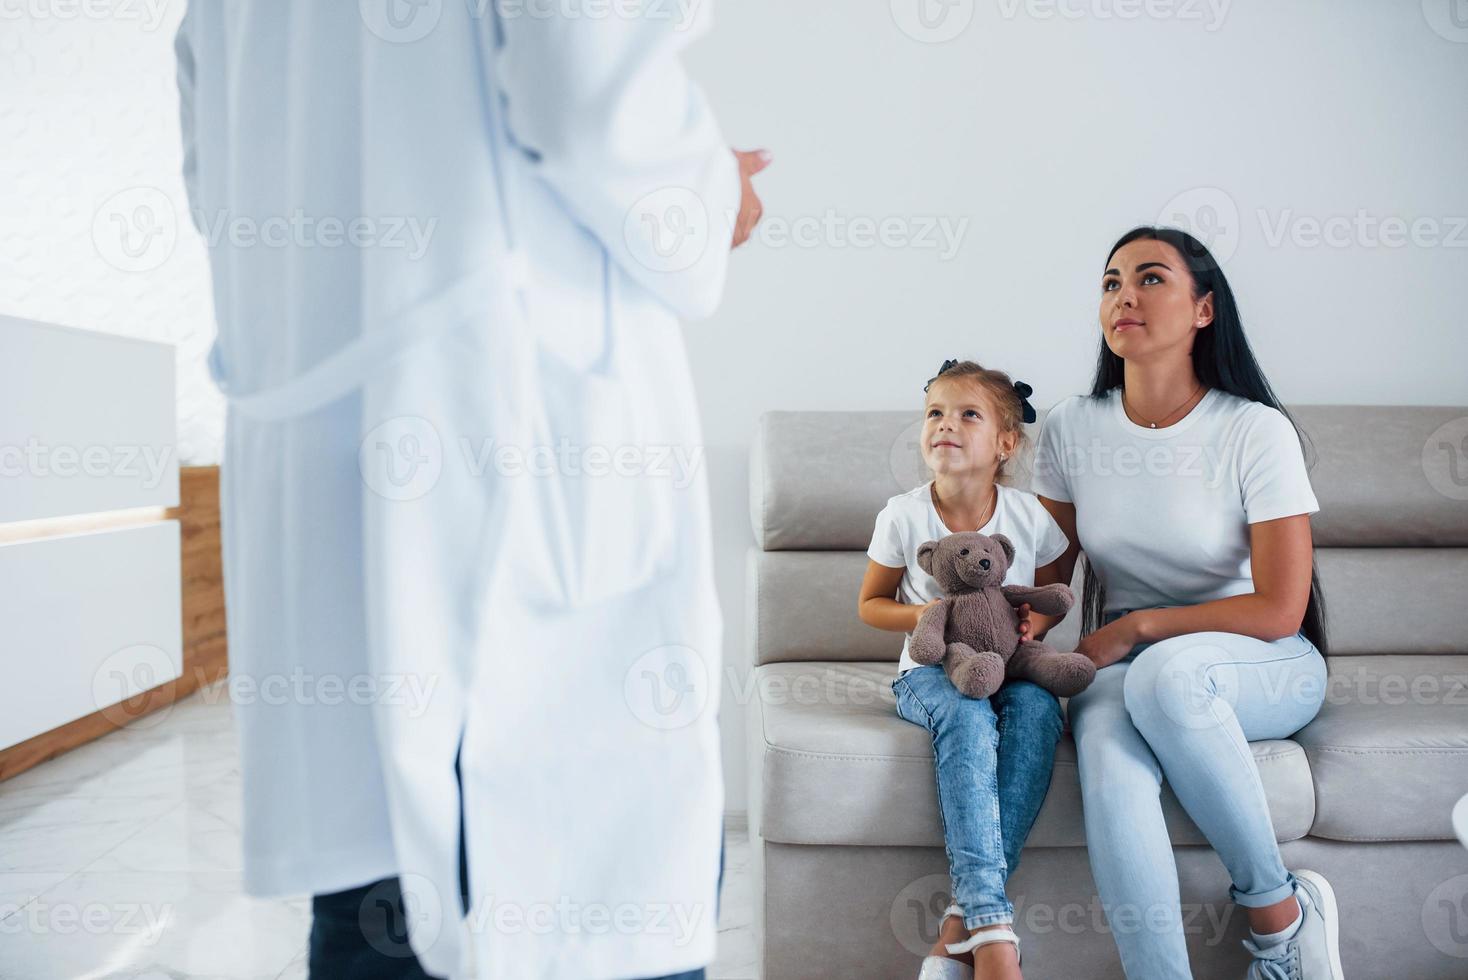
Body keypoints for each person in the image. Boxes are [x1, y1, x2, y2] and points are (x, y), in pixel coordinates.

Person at [174, 3, 768, 977]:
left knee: (378, 891)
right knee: (582, 894)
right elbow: (584, 93)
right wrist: (705, 195)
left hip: (331, 475)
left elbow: (218, 173)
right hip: (513, 457)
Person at [1026, 226, 1343, 979]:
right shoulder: (1073, 427)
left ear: (1204, 309)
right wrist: (993, 641)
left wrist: (1135, 628)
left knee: (1161, 675)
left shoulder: (1253, 431)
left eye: (1150, 278)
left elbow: (1277, 609)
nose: (1124, 296)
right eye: (1110, 283)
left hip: (1261, 663)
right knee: (1103, 742)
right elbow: (1049, 586)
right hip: (1129, 672)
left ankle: (1281, 918)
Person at [859, 360, 1070, 980]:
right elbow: (870, 605)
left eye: (966, 414)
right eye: (935, 413)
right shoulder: (902, 513)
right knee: (966, 712)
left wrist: (1036, 627)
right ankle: (991, 925)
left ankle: (960, 928)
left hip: (1012, 669)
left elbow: (1051, 593)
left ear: (1006, 443)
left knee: (1036, 709)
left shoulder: (1029, 515)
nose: (945, 425)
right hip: (929, 676)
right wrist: (927, 616)